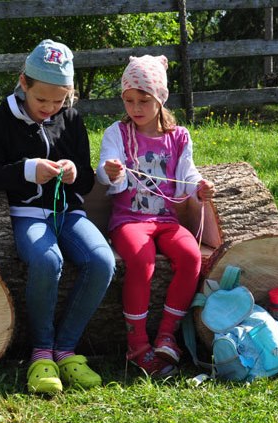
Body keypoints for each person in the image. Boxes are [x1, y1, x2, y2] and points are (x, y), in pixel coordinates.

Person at [0, 39, 115, 394]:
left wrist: (72, 172)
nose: (50, 108)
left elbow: (85, 177)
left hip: (68, 212)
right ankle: (41, 353)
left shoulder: (70, 118)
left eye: (60, 101)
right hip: (27, 215)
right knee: (46, 259)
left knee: (102, 261)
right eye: (42, 100)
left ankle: (66, 349)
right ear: (24, 83)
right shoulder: (2, 119)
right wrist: (25, 170)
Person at [96, 55, 215, 377]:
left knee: (191, 257)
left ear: (160, 99)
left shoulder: (179, 136)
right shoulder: (118, 133)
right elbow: (108, 171)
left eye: (143, 101)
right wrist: (111, 171)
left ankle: (167, 334)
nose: (135, 107)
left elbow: (186, 174)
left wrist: (198, 186)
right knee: (141, 259)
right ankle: (137, 345)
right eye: (129, 100)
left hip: (166, 219)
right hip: (129, 219)